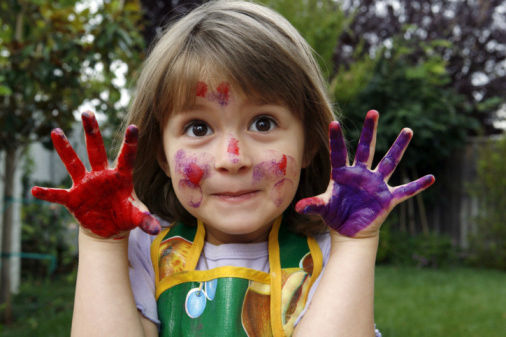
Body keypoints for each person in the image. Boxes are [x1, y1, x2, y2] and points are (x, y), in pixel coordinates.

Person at [32, 1, 435, 336]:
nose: (232, 157)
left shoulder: (327, 254)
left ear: (310, 144)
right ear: (161, 154)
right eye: (198, 127)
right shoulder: (148, 252)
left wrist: (356, 245)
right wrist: (101, 243)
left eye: (263, 123)